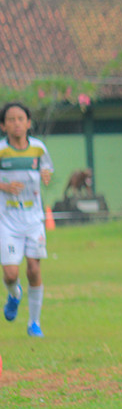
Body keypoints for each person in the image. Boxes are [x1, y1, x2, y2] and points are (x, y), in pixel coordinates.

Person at [0, 102, 53, 337]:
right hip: (7, 220)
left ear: (28, 123)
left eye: (20, 118)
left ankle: (34, 323)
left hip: (33, 219)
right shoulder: (1, 150)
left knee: (33, 268)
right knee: (11, 274)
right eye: (10, 119)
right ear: (3, 126)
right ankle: (14, 295)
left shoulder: (39, 149)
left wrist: (46, 174)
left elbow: (47, 170)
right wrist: (5, 186)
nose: (16, 123)